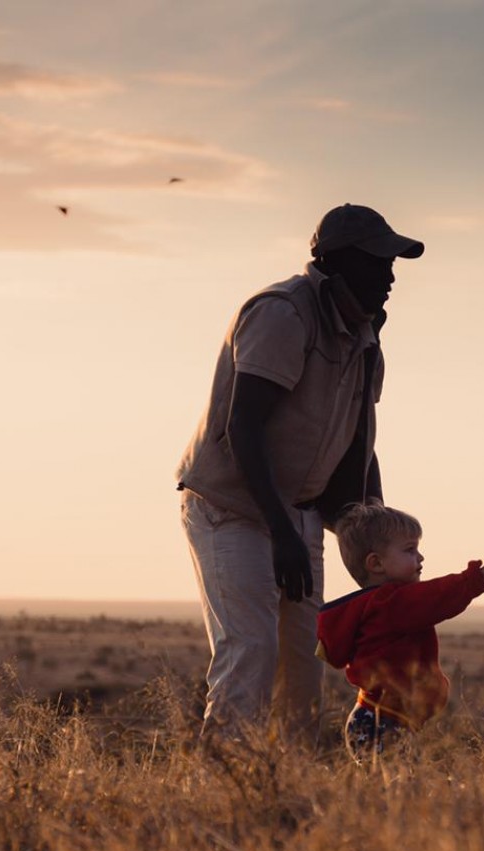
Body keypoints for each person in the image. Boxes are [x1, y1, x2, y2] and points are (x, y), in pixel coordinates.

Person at [176, 204, 424, 737]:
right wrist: (281, 529)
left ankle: (288, 779)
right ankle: (224, 773)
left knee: (303, 665)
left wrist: (373, 536)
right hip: (232, 507)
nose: (390, 278)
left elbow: (358, 439)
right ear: (337, 263)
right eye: (378, 263)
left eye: (392, 265)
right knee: (251, 650)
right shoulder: (283, 315)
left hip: (298, 512)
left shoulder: (364, 335)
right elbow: (243, 426)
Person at [316, 502, 484, 757]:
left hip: (375, 717)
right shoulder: (391, 604)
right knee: (398, 778)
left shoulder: (376, 604)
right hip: (383, 721)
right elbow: (439, 597)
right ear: (376, 563)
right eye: (410, 550)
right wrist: (483, 574)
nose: (420, 557)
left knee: (393, 779)